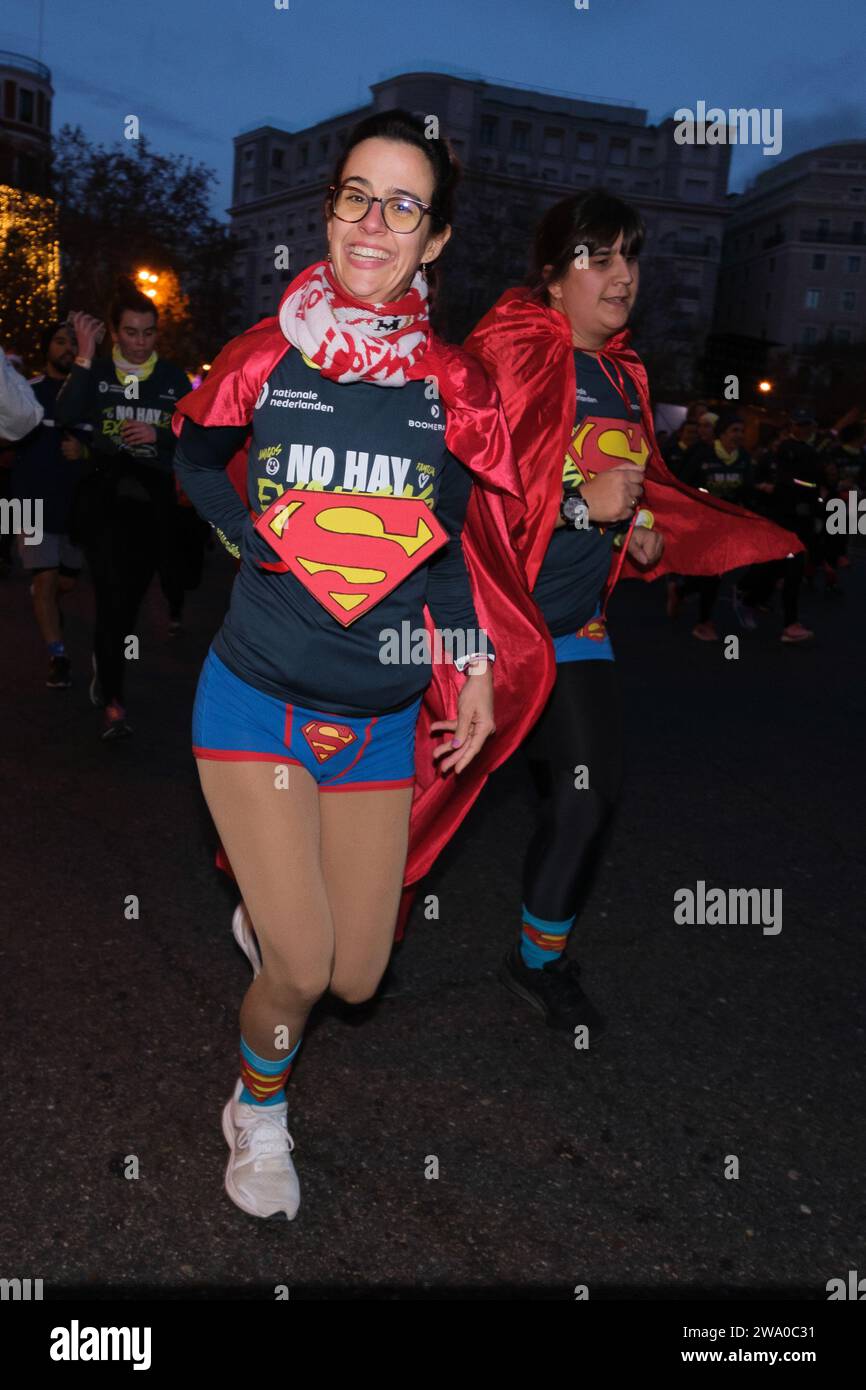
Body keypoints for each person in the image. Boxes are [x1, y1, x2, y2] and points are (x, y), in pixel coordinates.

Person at [172, 109, 554, 1221]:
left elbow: (439, 556)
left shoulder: (454, 387)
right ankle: (260, 1113)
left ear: (433, 240)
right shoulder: (262, 354)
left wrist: (471, 662)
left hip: (382, 718)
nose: (372, 222)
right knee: (296, 970)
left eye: (403, 204)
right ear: (328, 209)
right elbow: (196, 459)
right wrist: (250, 537)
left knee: (356, 976)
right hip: (254, 702)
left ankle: (280, 932)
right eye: (354, 194)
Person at [463, 189, 803, 1035]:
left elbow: (622, 482)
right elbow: (471, 497)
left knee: (587, 798)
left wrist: (641, 523)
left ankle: (536, 959)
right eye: (600, 257)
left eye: (632, 256)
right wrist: (587, 505)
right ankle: (343, 941)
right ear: (552, 275)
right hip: (480, 633)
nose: (624, 277)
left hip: (573, 630)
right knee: (409, 806)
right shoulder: (505, 356)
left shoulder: (625, 375)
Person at [54, 284, 191, 738]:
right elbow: (67, 413)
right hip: (106, 499)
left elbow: (196, 436)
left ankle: (106, 660)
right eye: (130, 332)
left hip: (152, 503)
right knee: (111, 598)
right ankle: (114, 701)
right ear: (114, 332)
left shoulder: (171, 378)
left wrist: (161, 438)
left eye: (149, 333)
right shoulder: (97, 369)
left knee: (128, 602)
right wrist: (86, 354)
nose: (139, 342)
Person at [10, 322, 92, 688]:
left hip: (75, 506)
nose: (66, 348)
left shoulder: (89, 395)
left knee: (66, 582)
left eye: (73, 343)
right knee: (44, 578)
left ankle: (46, 597)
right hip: (28, 504)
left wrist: (85, 452)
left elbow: (109, 449)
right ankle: (57, 654)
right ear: (46, 349)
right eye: (59, 342)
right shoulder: (25, 393)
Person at [671, 412, 754, 639]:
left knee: (714, 573)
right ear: (722, 434)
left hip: (726, 525)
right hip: (700, 522)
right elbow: (682, 484)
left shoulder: (744, 458)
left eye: (741, 430)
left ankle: (681, 591)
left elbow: (747, 492)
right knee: (710, 571)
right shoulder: (702, 454)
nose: (739, 435)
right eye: (734, 430)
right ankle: (704, 622)